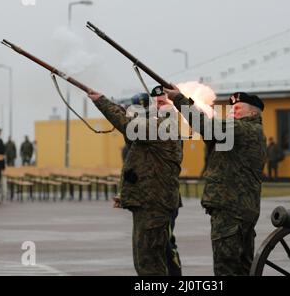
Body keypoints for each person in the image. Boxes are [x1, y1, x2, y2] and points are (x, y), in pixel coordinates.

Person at [165, 87, 267, 276]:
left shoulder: (242, 128)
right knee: (242, 267)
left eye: (238, 109)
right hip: (240, 208)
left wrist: (179, 99)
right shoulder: (248, 131)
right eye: (231, 109)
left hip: (230, 209)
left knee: (225, 267)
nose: (232, 111)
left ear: (253, 112)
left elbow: (207, 127)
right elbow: (212, 132)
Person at [88, 88, 183, 276]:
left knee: (152, 260)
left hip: (156, 203)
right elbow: (141, 165)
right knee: (146, 258)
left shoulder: (162, 127)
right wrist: (126, 193)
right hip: (148, 201)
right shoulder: (153, 129)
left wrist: (102, 101)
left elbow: (129, 126)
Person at [150, 85, 183, 276]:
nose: (158, 104)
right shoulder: (150, 122)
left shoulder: (169, 126)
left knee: (166, 244)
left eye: (162, 101)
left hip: (167, 196)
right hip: (152, 195)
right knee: (154, 245)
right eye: (156, 102)